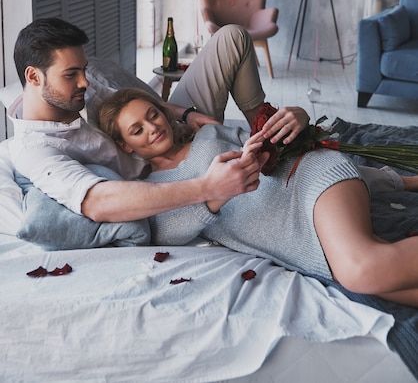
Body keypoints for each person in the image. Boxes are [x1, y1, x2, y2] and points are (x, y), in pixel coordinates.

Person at [98, 87, 418, 308]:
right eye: (136, 130)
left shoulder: (209, 133)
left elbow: (277, 139)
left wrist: (294, 119)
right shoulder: (153, 191)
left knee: (362, 269)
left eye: (152, 115)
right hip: (298, 242)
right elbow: (166, 233)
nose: (152, 128)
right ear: (126, 146)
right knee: (389, 285)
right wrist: (215, 193)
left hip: (307, 183)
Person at [8, 17, 309, 222]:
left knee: (232, 36)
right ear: (34, 77)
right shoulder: (35, 148)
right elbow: (96, 202)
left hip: (171, 129)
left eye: (83, 69)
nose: (85, 82)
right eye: (71, 74)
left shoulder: (84, 82)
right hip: (163, 174)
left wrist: (185, 113)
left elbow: (143, 101)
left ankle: (270, 132)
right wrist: (208, 188)